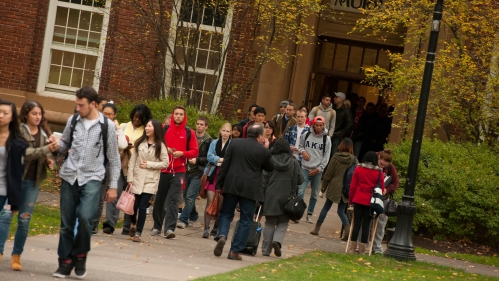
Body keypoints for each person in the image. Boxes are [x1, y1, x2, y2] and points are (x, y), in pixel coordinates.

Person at [54, 86, 120, 278]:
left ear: (93, 104)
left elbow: (114, 159)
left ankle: (80, 254)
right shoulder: (73, 120)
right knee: (66, 223)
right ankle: (64, 262)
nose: (78, 109)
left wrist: (113, 186)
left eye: (81, 105)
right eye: (77, 104)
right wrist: (56, 146)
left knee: (85, 218)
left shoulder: (105, 126)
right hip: (69, 175)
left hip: (92, 177)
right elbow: (64, 144)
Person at [213, 123, 273, 260]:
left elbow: (225, 164)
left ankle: (222, 235)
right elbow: (270, 167)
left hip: (232, 184)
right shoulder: (263, 151)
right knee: (246, 219)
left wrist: (219, 185)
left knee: (226, 213)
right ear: (260, 136)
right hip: (250, 189)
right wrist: (266, 149)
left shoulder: (234, 143)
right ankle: (234, 251)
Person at [103, 104, 152, 235]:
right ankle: (109, 223)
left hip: (136, 168)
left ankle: (127, 226)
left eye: (140, 118)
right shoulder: (124, 126)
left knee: (130, 197)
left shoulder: (146, 130)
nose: (137, 120)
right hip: (120, 164)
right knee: (115, 192)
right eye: (135, 117)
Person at [151, 106, 198, 239]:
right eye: (176, 114)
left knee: (173, 200)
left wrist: (182, 153)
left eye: (181, 114)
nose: (178, 116)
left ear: (184, 116)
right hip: (163, 169)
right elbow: (155, 143)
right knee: (159, 199)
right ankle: (157, 226)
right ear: (172, 116)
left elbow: (194, 151)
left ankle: (169, 229)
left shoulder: (189, 132)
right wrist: (166, 149)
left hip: (179, 171)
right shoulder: (164, 128)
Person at [127, 119, 169, 243]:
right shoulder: (140, 143)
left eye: (149, 126)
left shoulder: (160, 145)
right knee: (133, 206)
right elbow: (132, 161)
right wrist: (130, 178)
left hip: (150, 180)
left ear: (156, 128)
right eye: (146, 126)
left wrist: (149, 164)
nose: (147, 128)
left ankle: (138, 233)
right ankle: (133, 223)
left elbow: (165, 163)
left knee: (143, 206)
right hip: (137, 178)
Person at [260, 139, 303, 257]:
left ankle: (265, 250)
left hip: (270, 197)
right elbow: (300, 180)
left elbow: (263, 181)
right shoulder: (294, 162)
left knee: (269, 223)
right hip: (287, 198)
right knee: (283, 222)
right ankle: (277, 241)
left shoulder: (270, 161)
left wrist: (260, 197)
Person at [0, 101, 30, 269]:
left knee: (5, 218)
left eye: (5, 113)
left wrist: (16, 199)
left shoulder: (18, 143)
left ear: (12, 117)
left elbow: (18, 173)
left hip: (5, 190)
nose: (1, 116)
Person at [93, 103, 128, 235]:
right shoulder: (96, 124)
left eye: (110, 114)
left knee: (100, 195)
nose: (107, 116)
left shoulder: (114, 127)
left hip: (107, 164)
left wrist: (118, 128)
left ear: (115, 115)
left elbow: (123, 145)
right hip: (94, 163)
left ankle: (94, 224)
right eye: (104, 113)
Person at [311, 138, 356, 238]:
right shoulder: (353, 159)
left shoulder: (336, 157)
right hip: (346, 188)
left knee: (326, 207)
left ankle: (316, 229)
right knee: (341, 210)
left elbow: (328, 174)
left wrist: (323, 189)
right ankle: (347, 228)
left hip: (334, 186)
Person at [177, 116, 212, 229]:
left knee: (190, 197)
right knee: (186, 195)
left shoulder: (209, 141)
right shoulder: (190, 136)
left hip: (199, 173)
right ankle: (193, 214)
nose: (199, 126)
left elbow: (209, 158)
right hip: (186, 170)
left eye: (202, 124)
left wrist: (197, 160)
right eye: (197, 124)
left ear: (206, 126)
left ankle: (183, 220)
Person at [348, 151, 385, 255]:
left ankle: (352, 248)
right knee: (366, 225)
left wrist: (351, 200)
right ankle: (362, 249)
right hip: (370, 201)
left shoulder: (358, 169)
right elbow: (381, 189)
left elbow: (353, 186)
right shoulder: (379, 173)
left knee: (356, 224)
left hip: (358, 198)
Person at [297, 116, 331, 223]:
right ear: (313, 125)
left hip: (317, 170)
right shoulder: (306, 135)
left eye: (321, 125)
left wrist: (319, 169)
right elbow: (300, 146)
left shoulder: (327, 139)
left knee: (314, 194)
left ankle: (310, 214)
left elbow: (326, 156)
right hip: (305, 167)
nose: (319, 127)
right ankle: (298, 212)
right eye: (317, 125)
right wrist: (303, 152)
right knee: (300, 191)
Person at [202, 123, 232, 238]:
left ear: (230, 133)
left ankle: (216, 227)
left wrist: (218, 161)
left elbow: (230, 160)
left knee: (220, 204)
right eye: (223, 131)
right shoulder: (214, 142)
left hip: (224, 177)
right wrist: (220, 160)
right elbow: (209, 156)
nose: (225, 133)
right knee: (210, 201)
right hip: (212, 175)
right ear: (220, 131)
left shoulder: (231, 145)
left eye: (227, 131)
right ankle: (206, 229)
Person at [372, 148, 399, 254]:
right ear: (379, 157)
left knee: (381, 224)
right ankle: (365, 246)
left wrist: (387, 190)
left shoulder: (391, 169)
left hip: (383, 199)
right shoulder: (372, 161)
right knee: (368, 223)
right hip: (371, 197)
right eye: (381, 163)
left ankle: (377, 248)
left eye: (385, 165)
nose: (382, 166)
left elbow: (395, 183)